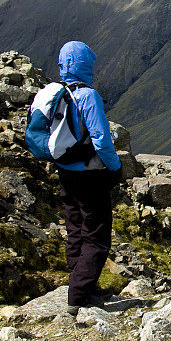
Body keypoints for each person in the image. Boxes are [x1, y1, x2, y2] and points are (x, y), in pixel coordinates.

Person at [55, 41, 122, 315]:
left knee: (76, 229)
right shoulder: (87, 96)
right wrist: (115, 167)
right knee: (96, 235)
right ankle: (79, 297)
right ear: (85, 65)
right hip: (88, 175)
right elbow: (101, 140)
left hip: (65, 171)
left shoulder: (58, 93)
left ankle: (82, 283)